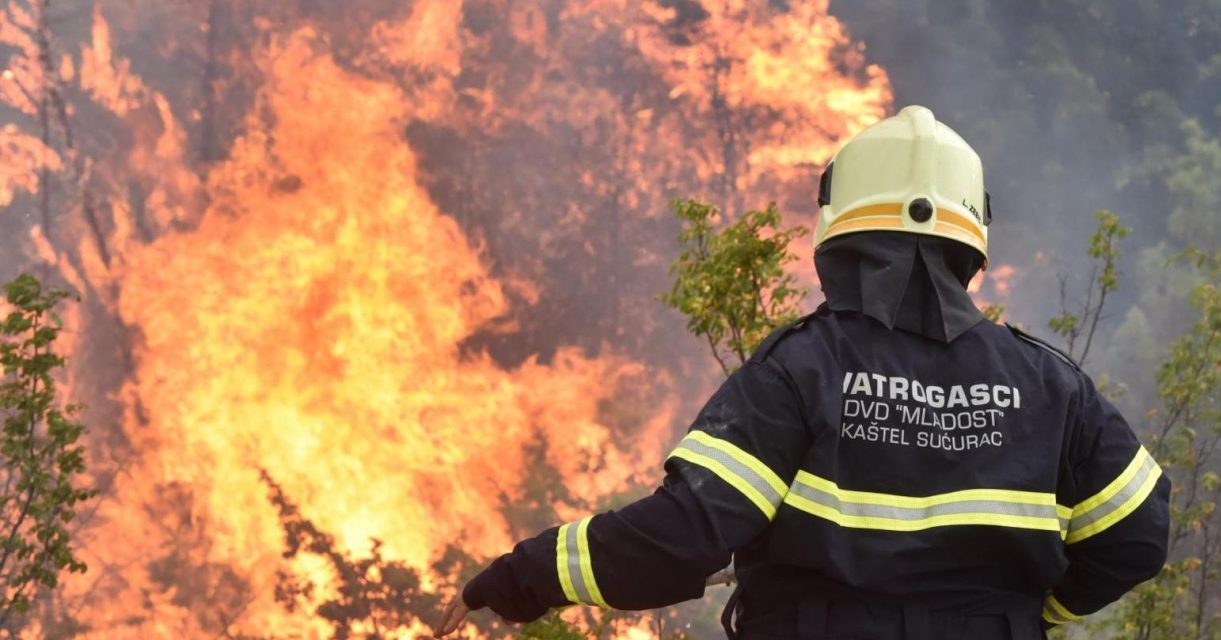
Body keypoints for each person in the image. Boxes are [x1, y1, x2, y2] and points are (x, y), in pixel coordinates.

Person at [435, 105, 1171, 639]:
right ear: (970, 237)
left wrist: (529, 574)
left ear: (839, 229)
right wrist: (1030, 615)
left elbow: (684, 537)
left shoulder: (805, 368)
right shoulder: (1048, 382)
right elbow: (1138, 535)